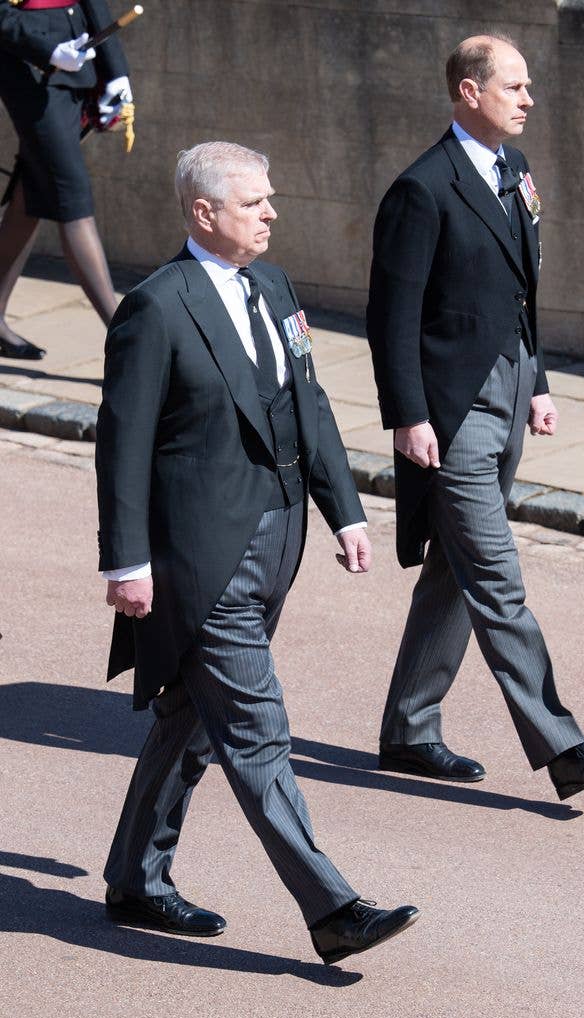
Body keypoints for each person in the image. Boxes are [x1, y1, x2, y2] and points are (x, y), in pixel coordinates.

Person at [95, 141, 419, 965]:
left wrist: (344, 511)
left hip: (279, 538)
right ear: (204, 213)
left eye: (269, 199)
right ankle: (331, 908)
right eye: (254, 202)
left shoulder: (273, 287)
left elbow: (306, 405)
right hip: (200, 555)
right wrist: (124, 562)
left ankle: (135, 878)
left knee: (189, 719)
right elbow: (123, 445)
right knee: (255, 728)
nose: (271, 213)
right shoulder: (156, 307)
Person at [366, 34, 584, 801]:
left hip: (508, 392)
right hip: (451, 416)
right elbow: (393, 316)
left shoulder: (512, 170)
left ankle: (408, 731)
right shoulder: (422, 188)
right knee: (496, 579)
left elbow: (520, 294)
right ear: (466, 92)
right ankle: (561, 744)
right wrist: (407, 416)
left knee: (452, 575)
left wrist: (538, 380)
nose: (527, 100)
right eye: (512, 87)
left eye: (526, 87)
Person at [0, 0, 132, 360]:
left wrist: (116, 71)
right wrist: (47, 49)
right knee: (71, 195)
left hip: (77, 57)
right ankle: (129, 337)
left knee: (31, 194)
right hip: (26, 65)